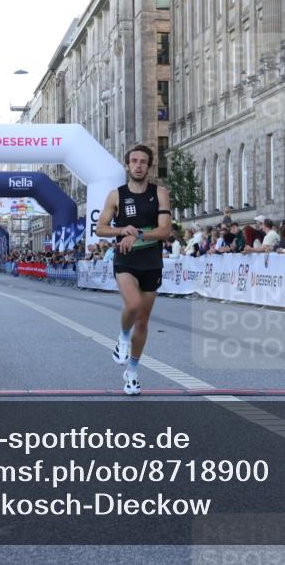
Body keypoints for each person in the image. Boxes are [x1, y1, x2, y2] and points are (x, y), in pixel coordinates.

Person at [96, 144, 172, 396]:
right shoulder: (116, 195)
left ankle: (132, 372)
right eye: (134, 161)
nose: (138, 165)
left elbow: (164, 231)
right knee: (133, 305)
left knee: (143, 320)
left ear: (149, 167)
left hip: (151, 260)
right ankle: (122, 337)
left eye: (143, 162)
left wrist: (138, 233)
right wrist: (122, 230)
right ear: (127, 165)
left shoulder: (159, 193)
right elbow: (101, 228)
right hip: (126, 259)